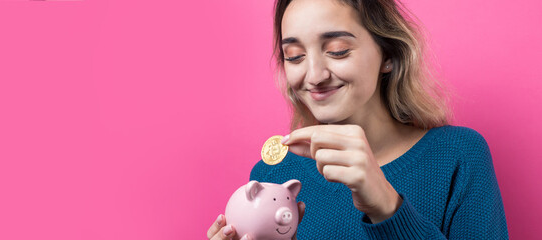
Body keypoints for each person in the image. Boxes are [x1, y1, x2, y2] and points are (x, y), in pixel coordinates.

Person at [207, 0, 509, 239]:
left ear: (388, 55)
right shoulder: (273, 175)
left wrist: (388, 208)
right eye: (295, 56)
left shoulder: (458, 156)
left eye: (337, 51)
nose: (314, 76)